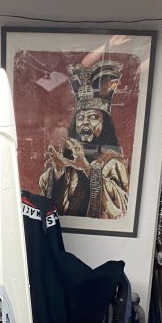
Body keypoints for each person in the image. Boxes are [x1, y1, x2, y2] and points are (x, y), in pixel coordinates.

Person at [39, 60, 129, 219]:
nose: (85, 122)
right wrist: (58, 173)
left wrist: (87, 169)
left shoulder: (114, 164)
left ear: (104, 124)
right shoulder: (69, 159)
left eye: (93, 117)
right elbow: (49, 204)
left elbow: (121, 208)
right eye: (80, 118)